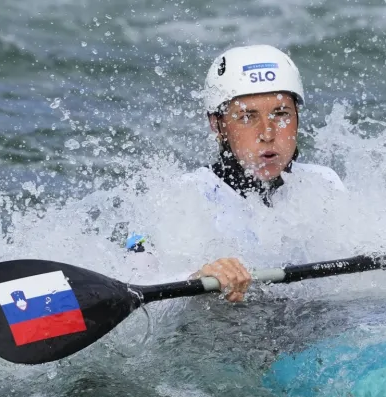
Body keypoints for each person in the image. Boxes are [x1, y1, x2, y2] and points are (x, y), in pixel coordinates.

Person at [128, 44, 348, 302]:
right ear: (218, 125)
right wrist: (195, 277)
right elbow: (134, 283)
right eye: (246, 117)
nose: (268, 133)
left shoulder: (324, 183)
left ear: (297, 117)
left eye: (281, 114)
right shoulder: (177, 197)